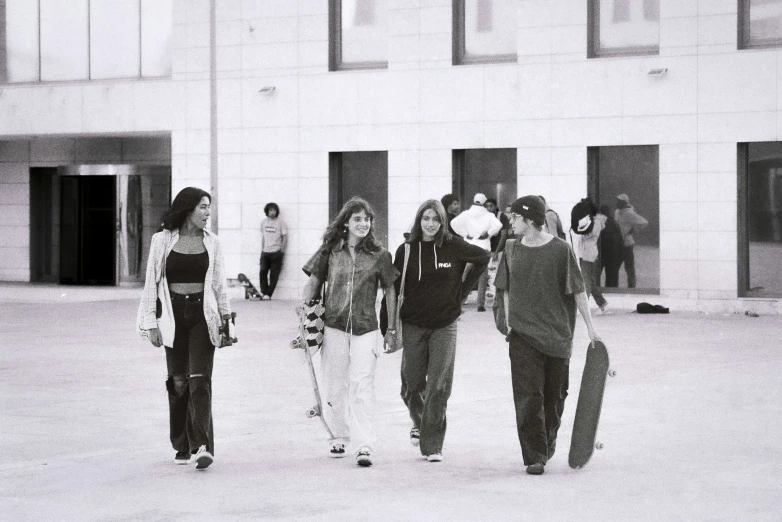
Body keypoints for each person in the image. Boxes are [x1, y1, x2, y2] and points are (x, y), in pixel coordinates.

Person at [494, 195, 600, 476]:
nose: (510, 221)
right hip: (523, 336)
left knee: (555, 398)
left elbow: (578, 289)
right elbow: (503, 287)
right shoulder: (511, 249)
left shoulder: (560, 250)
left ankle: (546, 443)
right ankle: (534, 456)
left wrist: (591, 327)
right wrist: (509, 322)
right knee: (528, 396)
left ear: (530, 220)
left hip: (556, 336)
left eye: (515, 217)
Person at [136, 187, 232, 470]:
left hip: (203, 314)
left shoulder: (212, 242)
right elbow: (150, 283)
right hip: (172, 314)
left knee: (199, 379)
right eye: (203, 207)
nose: (207, 213)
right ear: (188, 209)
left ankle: (202, 445)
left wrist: (227, 322)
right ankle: (181, 444)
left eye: (209, 208)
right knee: (178, 383)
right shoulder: (162, 240)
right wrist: (150, 323)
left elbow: (219, 284)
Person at [300, 197, 399, 467]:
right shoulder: (331, 250)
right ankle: (339, 435)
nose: (363, 223)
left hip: (366, 327)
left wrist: (392, 327)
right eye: (357, 219)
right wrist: (304, 315)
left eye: (367, 219)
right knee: (335, 384)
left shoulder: (380, 255)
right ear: (345, 222)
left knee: (362, 385)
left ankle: (364, 444)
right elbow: (314, 281)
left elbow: (390, 289)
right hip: (333, 325)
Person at [390, 200, 490, 462]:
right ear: (418, 220)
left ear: (443, 221)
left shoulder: (452, 246)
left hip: (445, 324)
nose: (431, 224)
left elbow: (483, 257)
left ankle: (432, 444)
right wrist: (387, 325)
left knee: (438, 386)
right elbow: (392, 290)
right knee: (411, 385)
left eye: (436, 219)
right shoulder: (406, 250)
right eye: (426, 218)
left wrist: (463, 290)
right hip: (413, 323)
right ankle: (420, 422)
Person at [450, 193, 503, 306]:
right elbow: (498, 225)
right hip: (483, 246)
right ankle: (480, 304)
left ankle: (460, 299)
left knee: (463, 274)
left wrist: (465, 234)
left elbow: (453, 223)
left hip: (469, 245)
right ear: (484, 202)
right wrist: (488, 234)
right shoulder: (488, 215)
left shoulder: (466, 214)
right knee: (482, 277)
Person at [574, 198, 608, 313]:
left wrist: (580, 226)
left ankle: (585, 306)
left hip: (589, 254)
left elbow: (587, 234)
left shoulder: (596, 221)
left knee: (585, 280)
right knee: (590, 280)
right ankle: (602, 302)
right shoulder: (590, 219)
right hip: (584, 253)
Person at [475, 197, 510, 312]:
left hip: (498, 251)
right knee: (483, 277)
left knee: (498, 276)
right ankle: (480, 304)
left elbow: (504, 235)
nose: (489, 208)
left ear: (495, 206)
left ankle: (499, 302)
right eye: (487, 206)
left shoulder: (501, 216)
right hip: (485, 250)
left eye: (491, 206)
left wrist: (496, 251)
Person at [614, 194, 648, 289]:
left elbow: (644, 222)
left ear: (625, 203)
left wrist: (634, 229)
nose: (617, 203)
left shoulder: (630, 213)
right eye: (617, 201)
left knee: (629, 268)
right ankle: (614, 287)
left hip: (627, 245)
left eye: (620, 201)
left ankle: (631, 288)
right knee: (614, 267)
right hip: (617, 244)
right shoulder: (616, 212)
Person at [259, 202, 287, 300]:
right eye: (270, 210)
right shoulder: (263, 222)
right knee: (262, 272)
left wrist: (282, 250)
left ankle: (268, 294)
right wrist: (262, 249)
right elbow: (263, 237)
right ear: (267, 211)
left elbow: (285, 237)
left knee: (274, 275)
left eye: (274, 210)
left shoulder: (280, 222)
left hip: (276, 252)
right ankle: (264, 292)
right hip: (265, 251)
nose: (272, 212)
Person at [598, 204, 623, 287]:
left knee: (595, 278)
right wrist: (620, 258)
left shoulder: (597, 223)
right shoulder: (614, 224)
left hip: (600, 254)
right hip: (612, 255)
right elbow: (620, 242)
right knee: (611, 281)